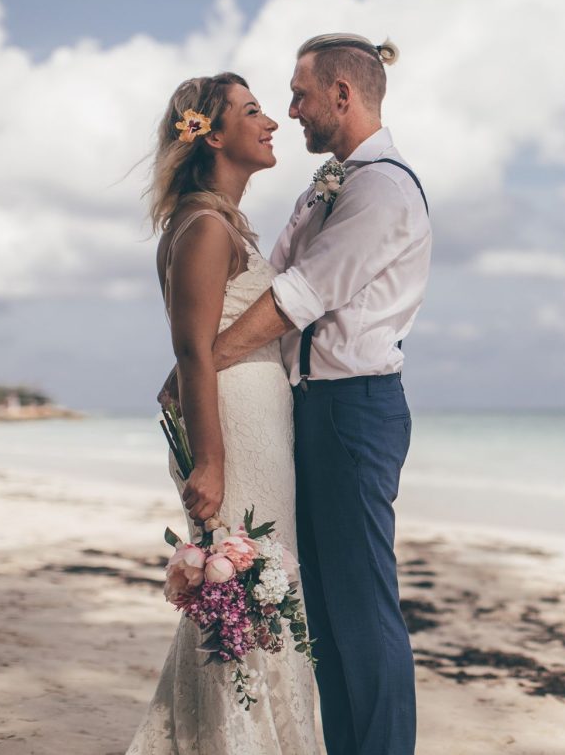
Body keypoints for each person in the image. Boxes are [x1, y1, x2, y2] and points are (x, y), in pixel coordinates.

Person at [165, 34, 431, 755]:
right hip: (304, 411)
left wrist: (202, 365)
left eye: (300, 94)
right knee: (325, 614)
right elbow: (271, 266)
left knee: (364, 610)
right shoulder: (329, 185)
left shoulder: (381, 187)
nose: (291, 110)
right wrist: (203, 368)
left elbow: (294, 297)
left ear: (342, 96)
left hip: (355, 409)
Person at [128, 73, 320, 753]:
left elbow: (199, 344)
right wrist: (209, 459)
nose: (270, 122)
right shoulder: (206, 226)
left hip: (250, 426)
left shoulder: (217, 222)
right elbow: (192, 349)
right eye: (252, 111)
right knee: (245, 592)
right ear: (211, 134)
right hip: (231, 435)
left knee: (246, 598)